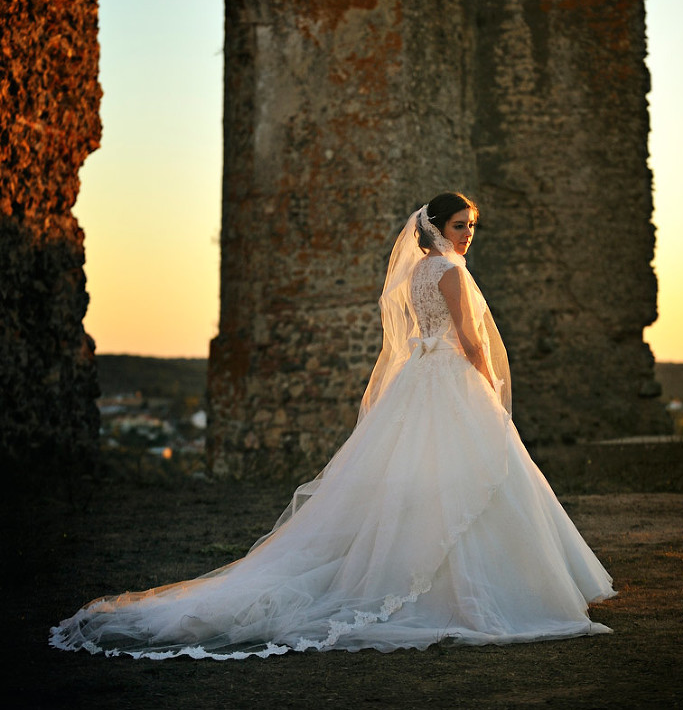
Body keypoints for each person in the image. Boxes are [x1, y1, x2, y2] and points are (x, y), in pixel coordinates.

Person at [50, 192, 615, 659]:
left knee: (423, 479)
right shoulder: (452, 274)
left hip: (420, 381)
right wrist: (490, 387)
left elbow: (418, 331)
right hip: (449, 380)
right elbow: (470, 340)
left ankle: (450, 576)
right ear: (437, 227)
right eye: (460, 225)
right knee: (472, 475)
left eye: (472, 226)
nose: (468, 234)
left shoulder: (418, 272)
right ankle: (487, 589)